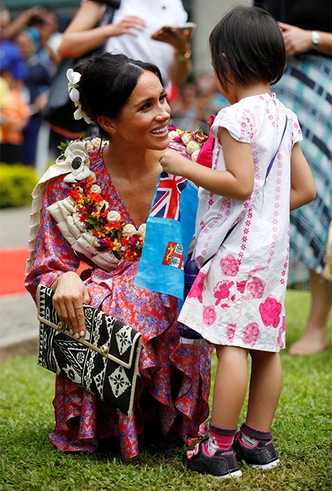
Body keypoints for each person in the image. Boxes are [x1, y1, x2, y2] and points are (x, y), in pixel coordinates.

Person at [24, 52, 211, 460]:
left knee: (157, 290)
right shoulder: (73, 178)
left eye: (163, 98)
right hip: (112, 299)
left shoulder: (194, 160)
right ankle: (108, 425)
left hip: (178, 283)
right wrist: (65, 277)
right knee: (107, 297)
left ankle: (172, 418)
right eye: (146, 106)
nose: (164, 113)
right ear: (107, 122)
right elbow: (47, 264)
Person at [159, 6, 316, 478]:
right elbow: (304, 190)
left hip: (236, 251)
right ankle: (257, 440)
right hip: (272, 251)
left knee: (230, 345)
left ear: (225, 61)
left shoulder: (234, 116)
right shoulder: (285, 115)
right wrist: (266, 213)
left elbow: (240, 183)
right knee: (266, 346)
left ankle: (220, 447)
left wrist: (183, 166)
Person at [253, 1, 332, 356]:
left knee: (320, 207)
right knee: (264, 197)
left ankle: (317, 325)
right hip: (275, 87)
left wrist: (313, 38)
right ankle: (252, 309)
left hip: (325, 89)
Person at [58, 0, 194, 91]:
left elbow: (179, 79)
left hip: (153, 100)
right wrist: (111, 30)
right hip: (112, 96)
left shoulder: (174, 5)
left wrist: (181, 49)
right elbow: (67, 45)